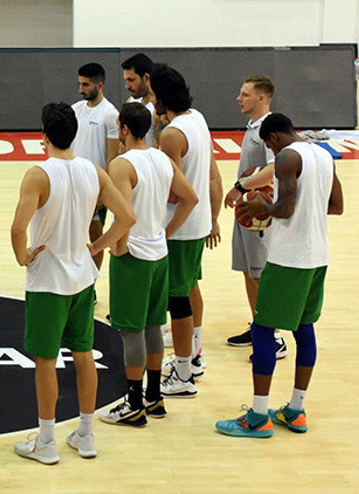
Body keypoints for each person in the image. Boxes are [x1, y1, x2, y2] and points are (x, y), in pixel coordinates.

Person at [11, 103, 134, 463]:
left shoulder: (38, 174)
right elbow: (127, 216)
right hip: (82, 277)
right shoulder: (94, 171)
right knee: (84, 356)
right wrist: (96, 246)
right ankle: (85, 434)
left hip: (49, 280)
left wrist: (23, 255)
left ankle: (47, 441)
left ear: (43, 135)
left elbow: (19, 228)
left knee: (46, 361)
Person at [216, 113, 343, 438]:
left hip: (289, 260)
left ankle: (258, 417)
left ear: (271, 139)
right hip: (318, 257)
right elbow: (336, 205)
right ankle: (296, 410)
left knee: (262, 329)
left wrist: (263, 208)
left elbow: (284, 209)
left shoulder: (287, 156)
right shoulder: (323, 153)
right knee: (304, 329)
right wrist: (303, 211)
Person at [98, 103, 197, 427]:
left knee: (131, 331)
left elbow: (125, 215)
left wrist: (114, 247)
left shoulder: (122, 164)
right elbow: (190, 198)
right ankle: (154, 398)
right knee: (154, 326)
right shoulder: (162, 158)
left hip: (135, 257)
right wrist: (165, 233)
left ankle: (133, 403)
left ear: (124, 128)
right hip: (159, 255)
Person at [150, 64, 223, 398]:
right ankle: (193, 356)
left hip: (178, 226)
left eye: (152, 96)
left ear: (161, 98)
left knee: (176, 300)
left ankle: (181, 374)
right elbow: (208, 174)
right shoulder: (198, 118)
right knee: (190, 287)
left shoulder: (171, 135)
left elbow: (173, 190)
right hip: (199, 221)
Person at [223, 75, 288, 360]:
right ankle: (259, 327)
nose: (239, 98)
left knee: (261, 275)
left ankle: (274, 337)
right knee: (250, 273)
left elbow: (273, 169)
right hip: (246, 212)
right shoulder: (253, 126)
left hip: (260, 213)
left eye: (245, 94)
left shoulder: (268, 129)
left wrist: (239, 188)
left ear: (261, 98)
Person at [71, 63, 120, 274]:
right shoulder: (76, 109)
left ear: (100, 85)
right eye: (80, 84)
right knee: (73, 235)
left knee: (95, 238)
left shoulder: (110, 114)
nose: (81, 89)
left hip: (94, 187)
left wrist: (103, 190)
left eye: (86, 85)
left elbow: (113, 156)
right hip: (73, 184)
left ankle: (91, 283)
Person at [121, 53, 158, 147]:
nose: (127, 86)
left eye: (131, 80)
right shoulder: (131, 102)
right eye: (126, 80)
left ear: (146, 78)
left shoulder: (158, 110)